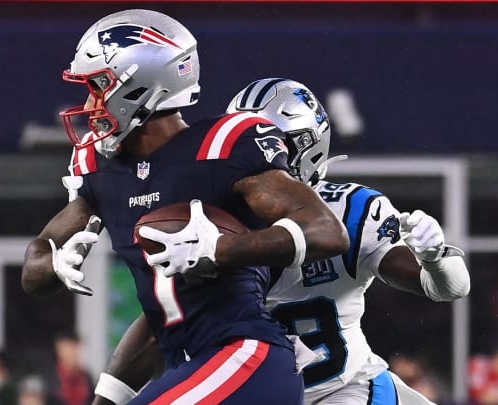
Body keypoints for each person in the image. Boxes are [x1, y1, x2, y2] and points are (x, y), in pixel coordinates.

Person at [22, 9, 349, 405]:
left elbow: (328, 232)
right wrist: (54, 264)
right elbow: (39, 269)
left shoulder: (225, 145)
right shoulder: (101, 170)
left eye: (98, 86)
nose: (90, 101)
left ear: (140, 86)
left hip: (248, 356)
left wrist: (220, 250)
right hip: (190, 366)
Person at [89, 79, 471, 405]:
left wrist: (436, 258)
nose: (252, 153)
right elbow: (163, 317)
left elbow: (447, 289)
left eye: (268, 142)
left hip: (347, 389)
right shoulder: (212, 218)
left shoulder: (349, 211)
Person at [45, 331, 93, 405]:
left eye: (76, 347)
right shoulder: (49, 377)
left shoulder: (85, 377)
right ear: (59, 348)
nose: (74, 352)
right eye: (70, 347)